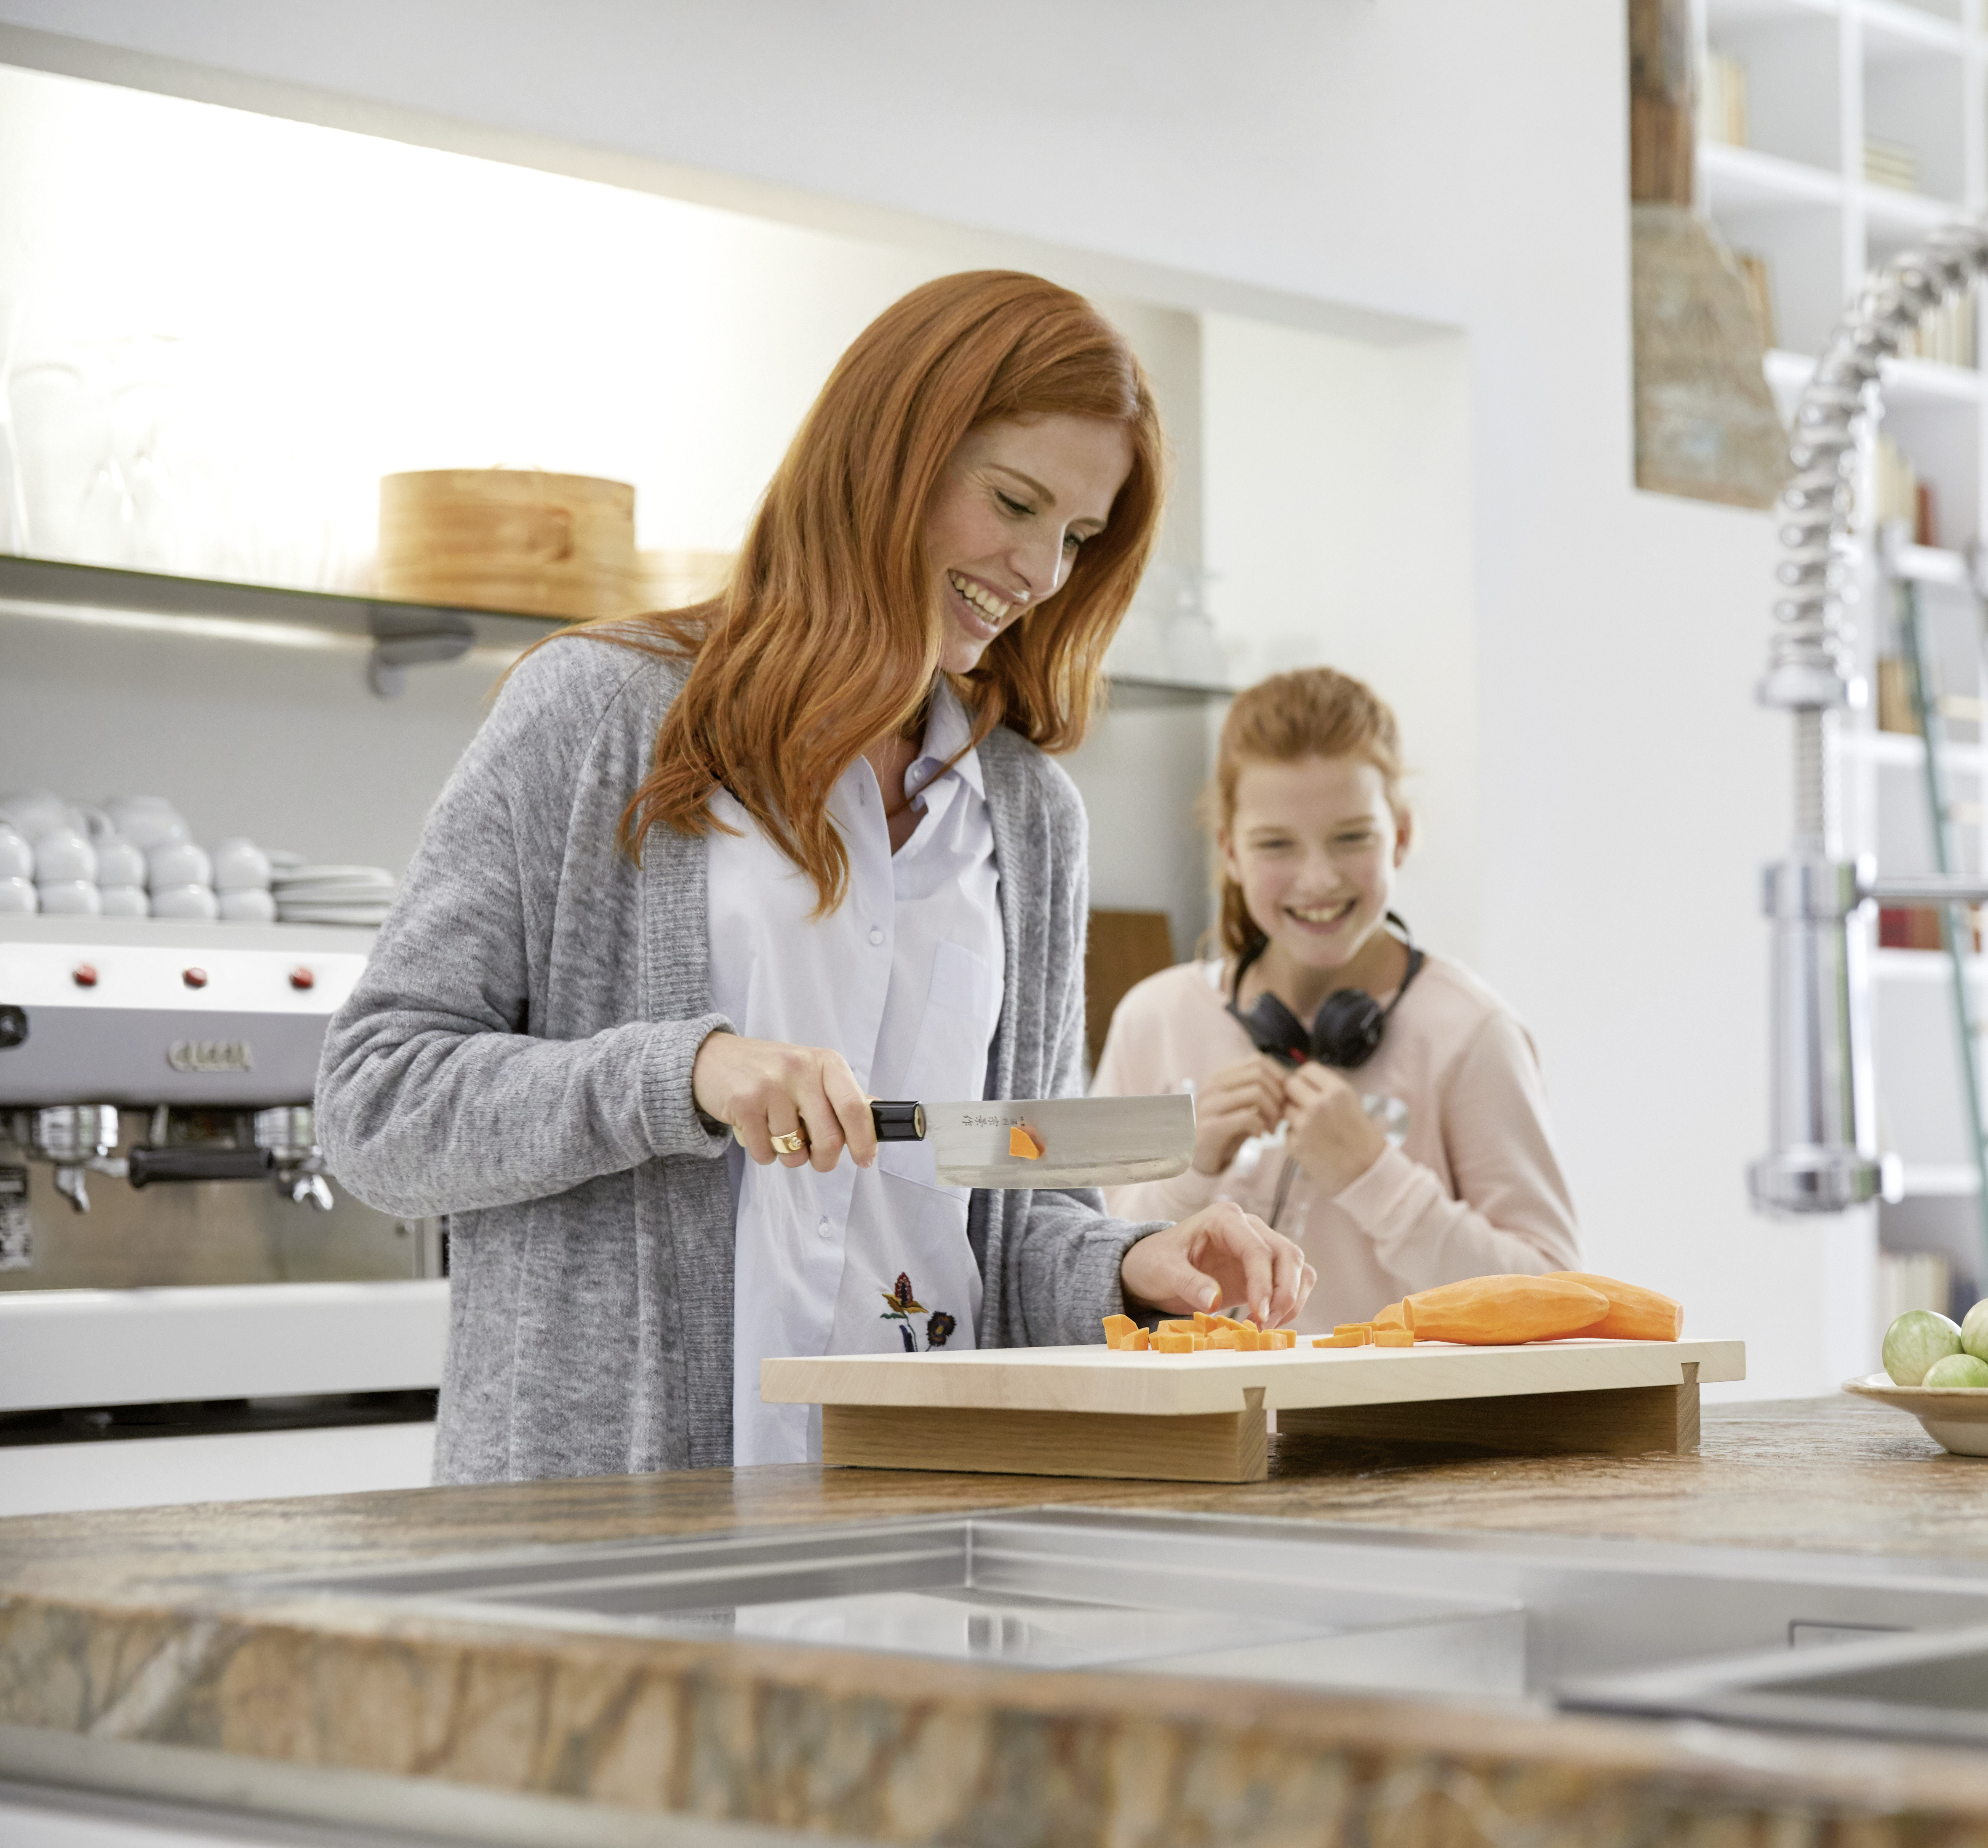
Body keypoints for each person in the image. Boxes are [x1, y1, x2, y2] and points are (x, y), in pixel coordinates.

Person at [318, 272, 1310, 1483]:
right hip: (617, 1531)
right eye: (1013, 501)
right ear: (890, 456)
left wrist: (1122, 1269)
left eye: (1077, 537)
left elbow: (1005, 1195)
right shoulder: (595, 712)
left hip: (924, 1530)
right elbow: (374, 1105)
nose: (1044, 572)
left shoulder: (1029, 817)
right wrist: (684, 1073)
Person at [1091, 668, 1579, 1327]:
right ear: (1230, 851)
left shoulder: (1472, 1034)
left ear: (1401, 836)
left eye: (1352, 837)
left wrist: (1373, 1174)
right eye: (1276, 845)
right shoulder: (1156, 1019)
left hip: (1394, 1429)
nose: (1317, 879)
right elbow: (1081, 1266)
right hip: (1198, 1431)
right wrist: (1192, 1166)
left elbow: (1556, 1302)